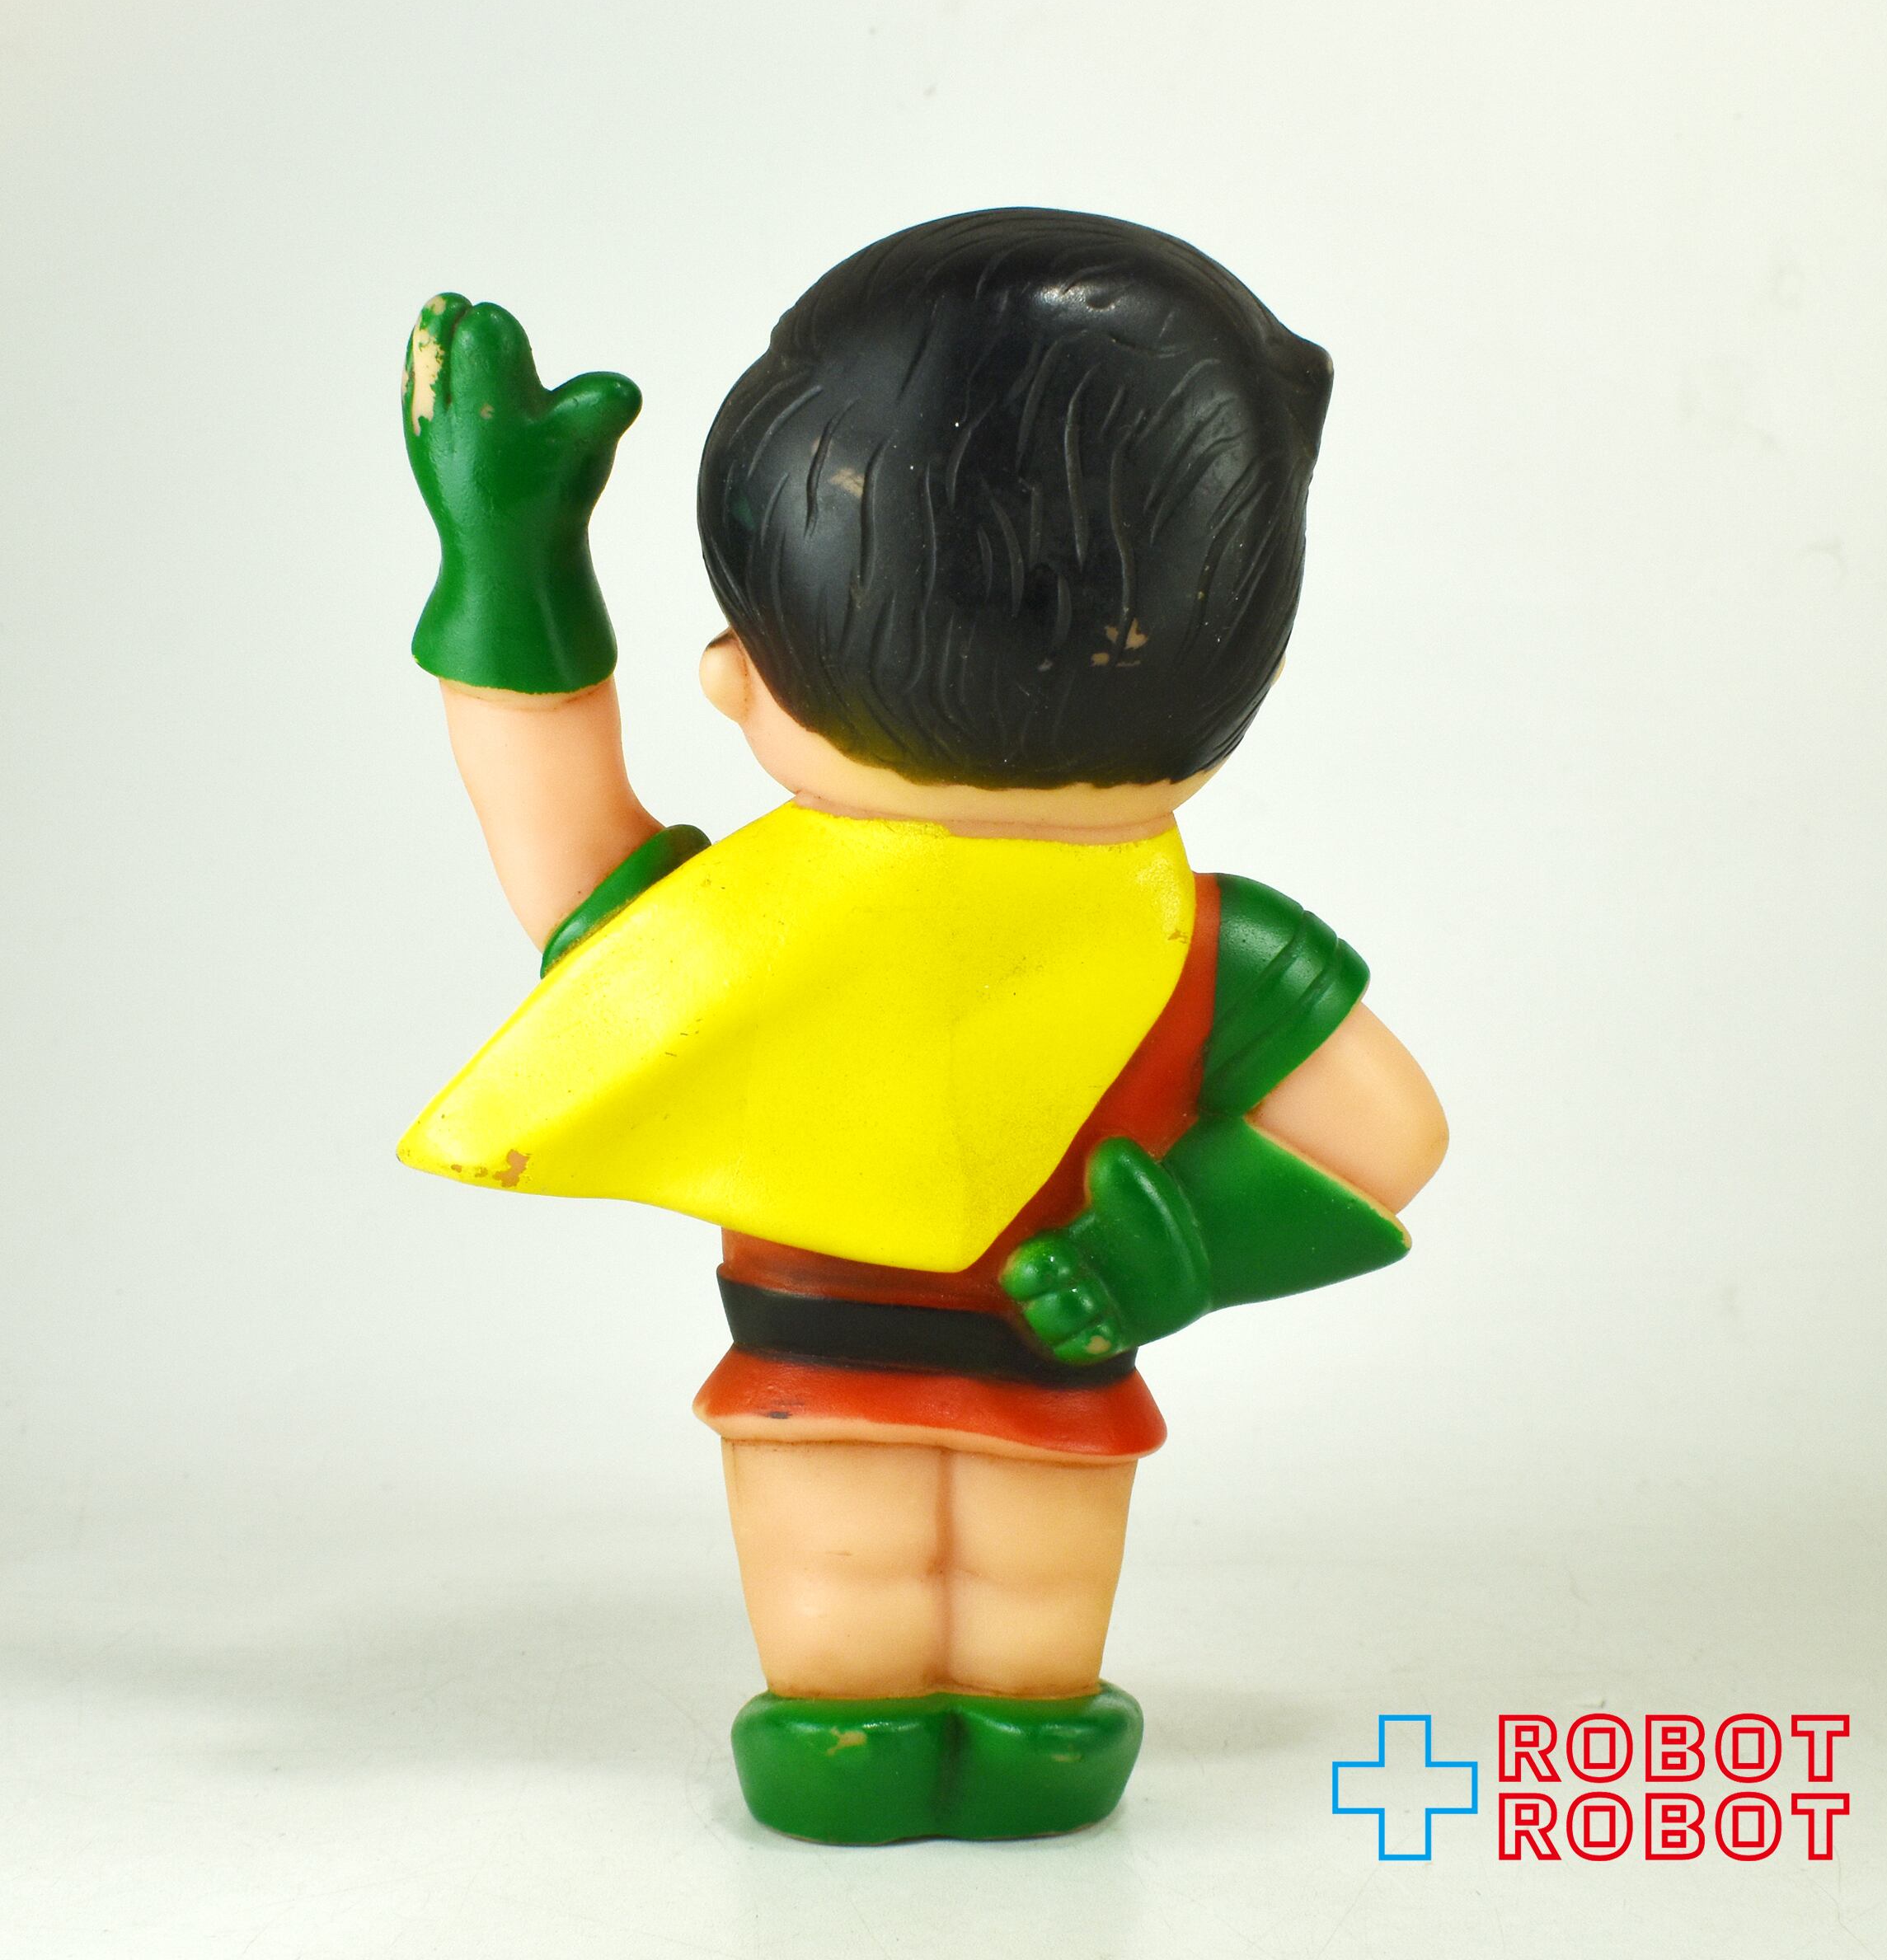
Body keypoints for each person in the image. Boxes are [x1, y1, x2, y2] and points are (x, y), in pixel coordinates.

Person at [396, 209, 1448, 1844]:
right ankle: (1006, 1729)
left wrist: (511, 571)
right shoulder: (1198, 943)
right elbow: (1386, 1134)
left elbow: (562, 845)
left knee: (855, 1585)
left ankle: (865, 1725)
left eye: (750, 634)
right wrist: (1178, 1249)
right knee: (1012, 1605)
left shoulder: (763, 932)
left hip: (861, 1357)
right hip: (1001, 1359)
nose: (722, 671)